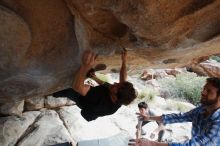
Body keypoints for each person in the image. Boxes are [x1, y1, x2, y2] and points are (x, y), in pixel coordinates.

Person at [130, 77, 220, 146]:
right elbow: (180, 117)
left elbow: (194, 144)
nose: (203, 92)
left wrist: (152, 144)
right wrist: (149, 118)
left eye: (208, 91)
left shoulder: (218, 122)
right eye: (204, 88)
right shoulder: (202, 109)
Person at [52, 49, 137, 121]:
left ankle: (55, 93)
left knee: (66, 89)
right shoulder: (121, 97)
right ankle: (91, 75)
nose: (115, 83)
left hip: (83, 100)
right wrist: (124, 60)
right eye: (118, 84)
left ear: (115, 98)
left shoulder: (98, 102)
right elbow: (123, 79)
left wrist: (85, 65)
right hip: (98, 94)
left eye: (116, 86)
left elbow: (77, 87)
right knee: (106, 85)